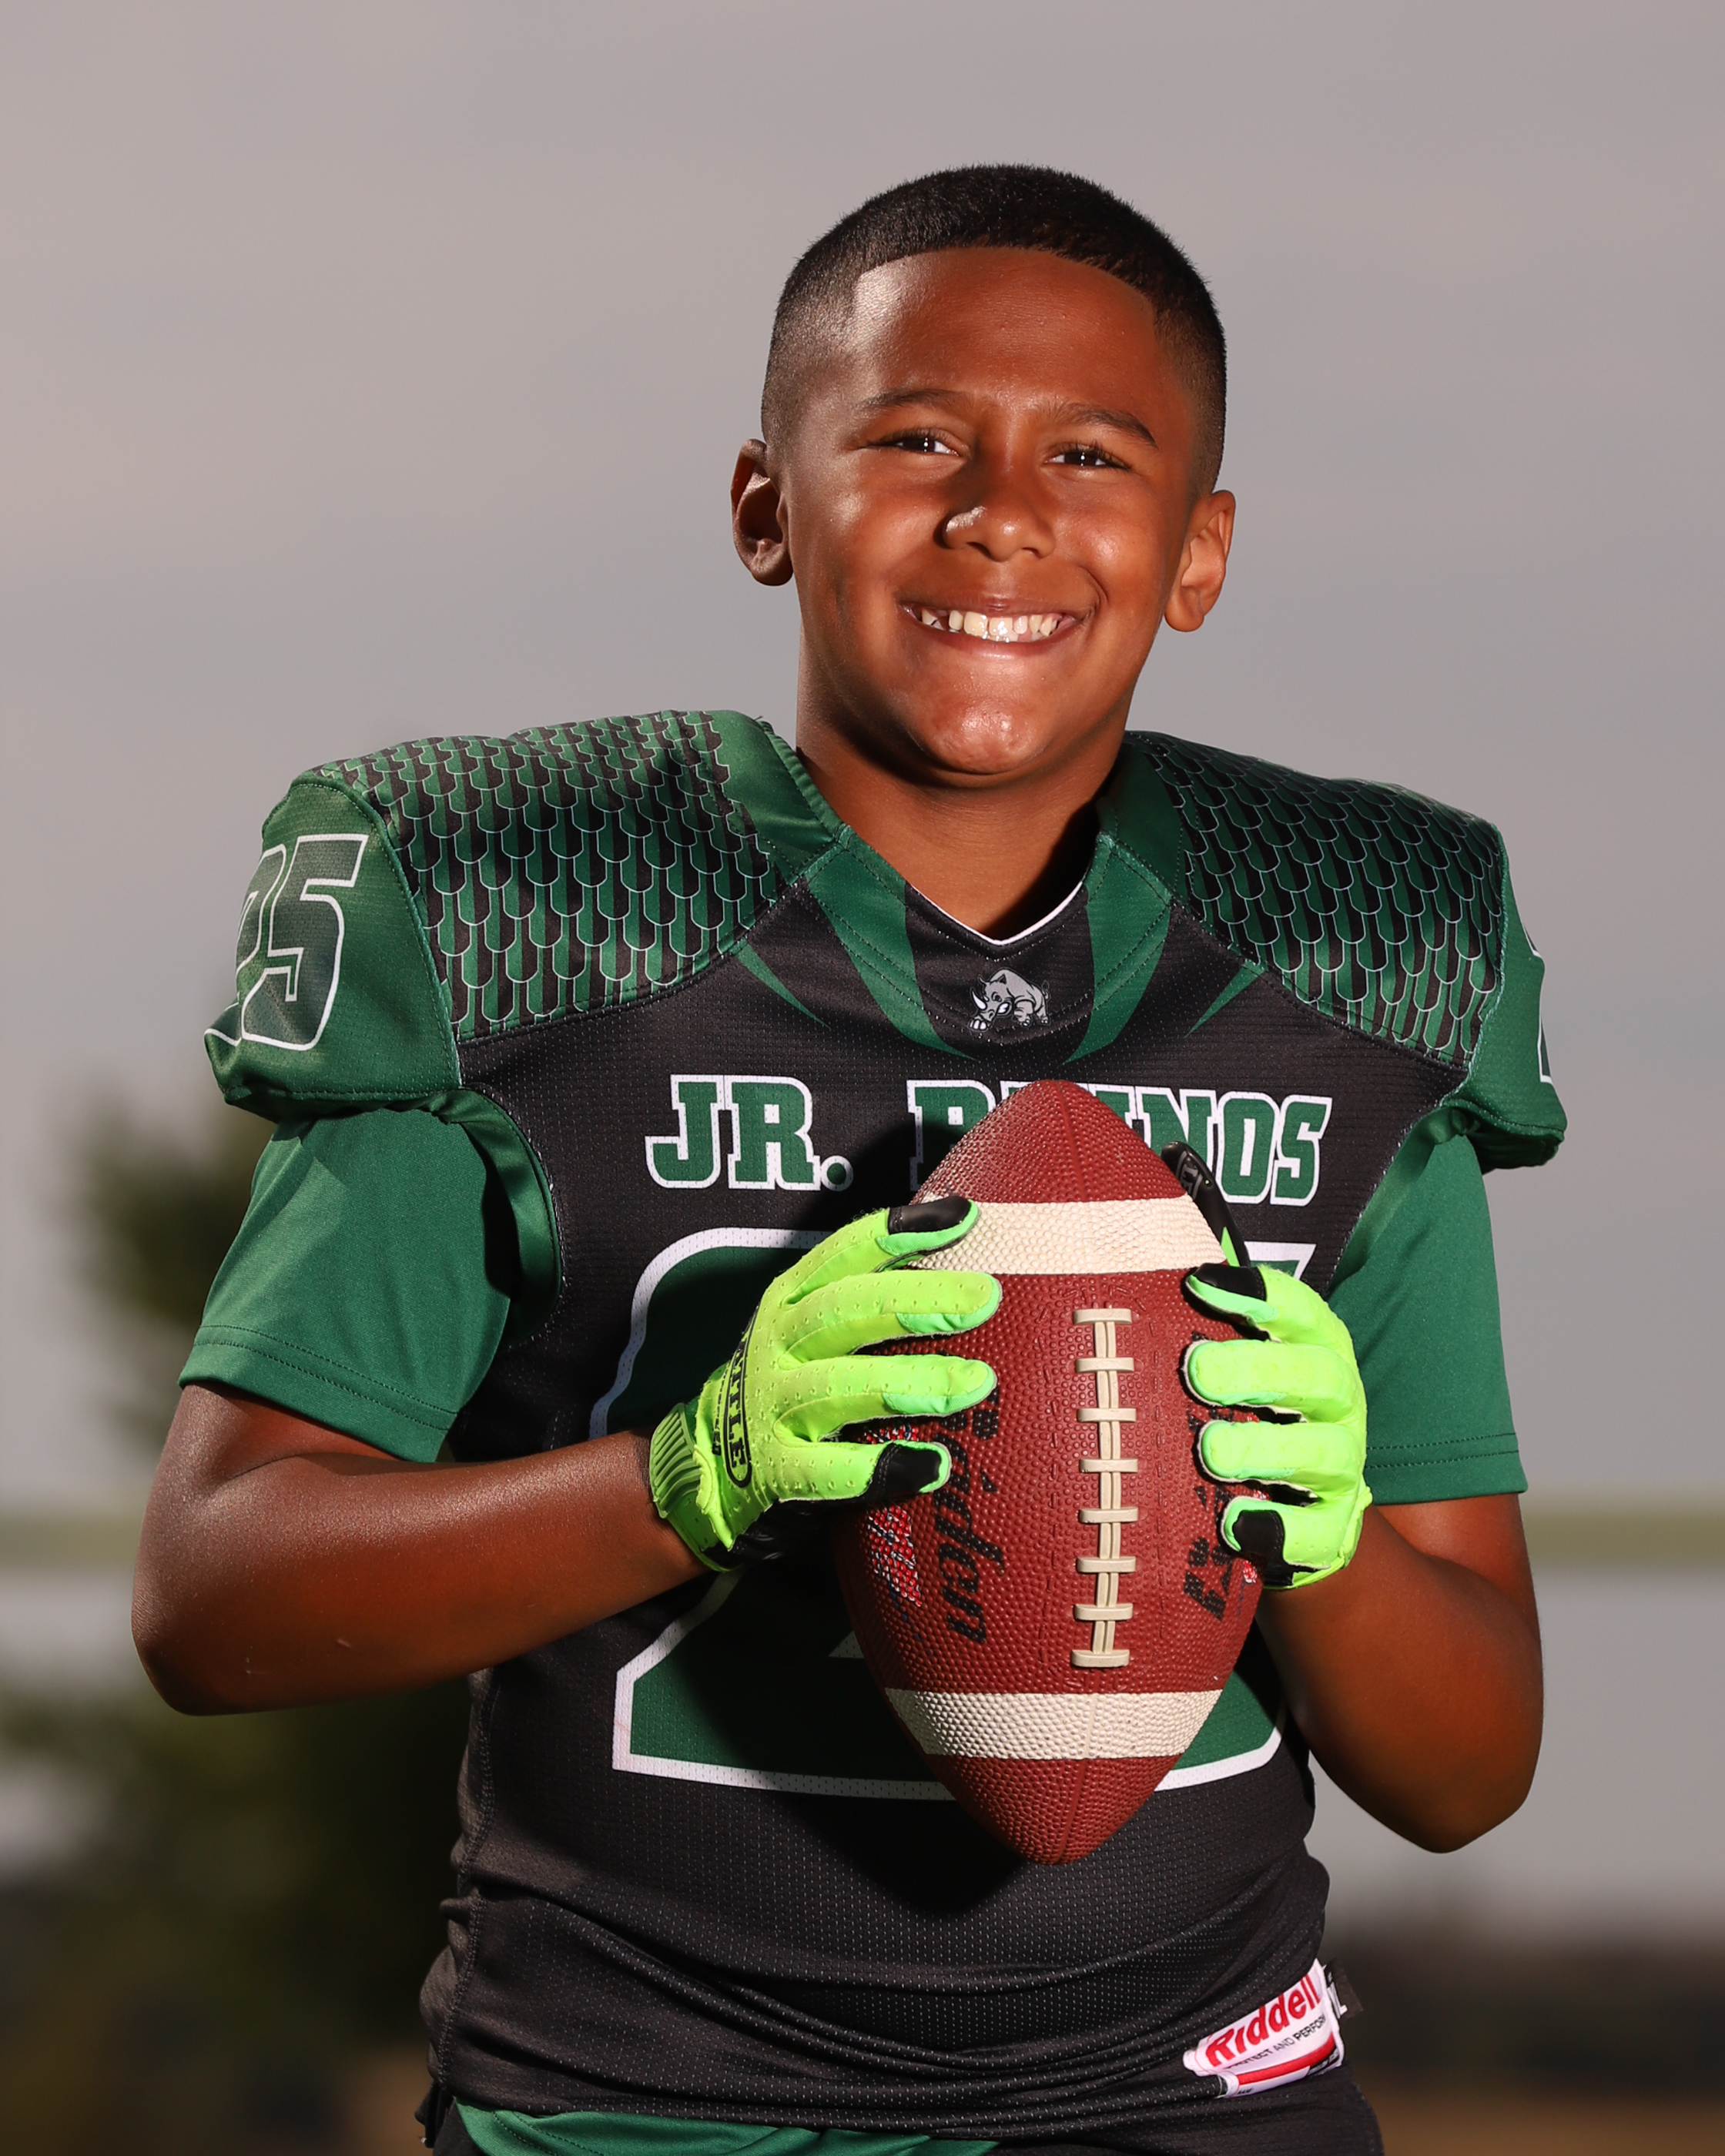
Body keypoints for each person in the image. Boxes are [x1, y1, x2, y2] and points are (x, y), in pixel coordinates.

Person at [133, 167, 1563, 2156]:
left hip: (1189, 2093)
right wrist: (687, 1475)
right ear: (764, 504)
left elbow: (1471, 1766)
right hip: (644, 2102)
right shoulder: (531, 920)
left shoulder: (1346, 964)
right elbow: (212, 1597)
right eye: (917, 440)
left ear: (1199, 549)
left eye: (1091, 454)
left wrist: (1318, 1551)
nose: (1002, 513)